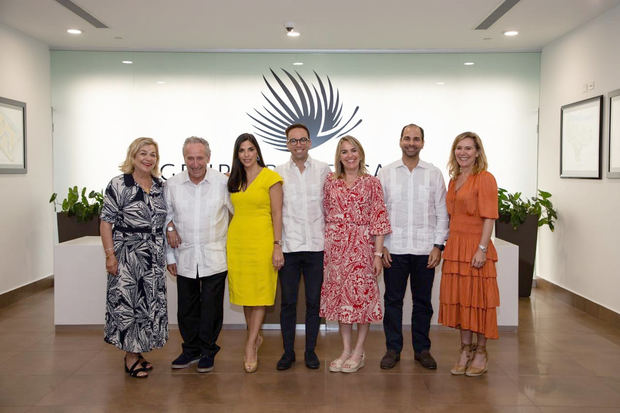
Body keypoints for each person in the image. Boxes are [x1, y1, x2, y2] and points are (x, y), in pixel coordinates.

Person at [378, 124, 449, 370]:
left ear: (422, 143)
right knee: (392, 301)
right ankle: (393, 349)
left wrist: (438, 245)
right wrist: (382, 246)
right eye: (407, 138)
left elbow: (442, 212)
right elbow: (379, 213)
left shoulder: (434, 173)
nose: (411, 143)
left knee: (423, 303)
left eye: (416, 139)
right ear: (400, 141)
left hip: (424, 250)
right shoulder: (386, 173)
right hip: (394, 248)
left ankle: (422, 350)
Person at [320, 135, 391, 373]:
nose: (349, 156)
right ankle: (345, 350)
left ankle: (359, 351)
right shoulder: (330, 182)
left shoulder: (372, 183)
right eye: (344, 152)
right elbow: (324, 213)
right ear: (338, 157)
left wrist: (378, 254)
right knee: (342, 302)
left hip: (362, 248)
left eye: (353, 151)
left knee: (361, 301)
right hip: (336, 250)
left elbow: (379, 219)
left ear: (360, 154)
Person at [100, 137, 168, 379]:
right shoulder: (119, 184)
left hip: (154, 257)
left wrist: (170, 232)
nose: (149, 158)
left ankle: (138, 352)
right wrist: (110, 256)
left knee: (148, 306)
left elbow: (165, 221)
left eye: (153, 155)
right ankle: (130, 358)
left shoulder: (160, 185)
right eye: (144, 153)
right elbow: (106, 223)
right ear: (133, 156)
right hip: (127, 256)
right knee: (128, 304)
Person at [164, 137, 232, 373]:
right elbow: (166, 217)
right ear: (184, 158)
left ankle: (208, 351)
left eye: (199, 158)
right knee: (186, 308)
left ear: (208, 158)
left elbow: (238, 214)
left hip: (215, 255)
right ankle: (190, 350)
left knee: (212, 309)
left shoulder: (223, 183)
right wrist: (169, 254)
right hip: (184, 256)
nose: (195, 163)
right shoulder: (171, 185)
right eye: (190, 158)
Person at [438, 131, 500, 377]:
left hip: (476, 247)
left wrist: (482, 249)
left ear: (477, 153)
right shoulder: (454, 179)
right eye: (459, 148)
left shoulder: (484, 178)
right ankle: (465, 350)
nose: (462, 152)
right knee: (463, 301)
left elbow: (489, 217)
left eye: (468, 148)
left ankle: (481, 352)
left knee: (480, 302)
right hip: (455, 248)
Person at [274, 123, 331, 370]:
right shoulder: (278, 172)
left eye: (302, 140)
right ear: (287, 144)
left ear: (310, 142)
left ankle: (310, 351)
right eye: (293, 140)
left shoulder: (323, 170)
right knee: (287, 303)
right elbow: (276, 212)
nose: (298, 144)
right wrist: (276, 245)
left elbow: (329, 207)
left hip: (316, 246)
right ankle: (288, 352)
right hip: (289, 246)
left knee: (313, 302)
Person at [226, 133, 284, 373]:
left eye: (250, 149)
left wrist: (277, 244)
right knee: (245, 294)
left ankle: (250, 345)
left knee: (259, 293)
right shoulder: (234, 178)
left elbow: (277, 214)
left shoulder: (271, 178)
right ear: (237, 154)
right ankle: (255, 335)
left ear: (257, 151)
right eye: (241, 150)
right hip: (238, 241)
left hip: (262, 241)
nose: (246, 154)